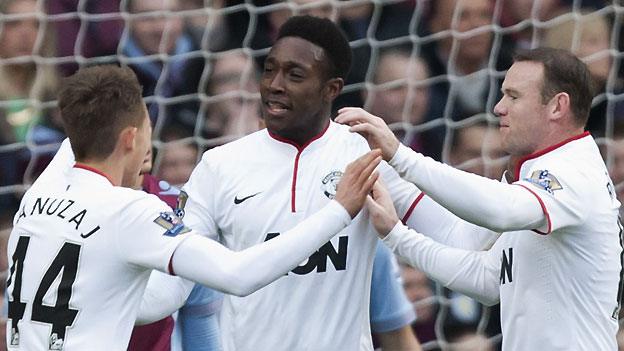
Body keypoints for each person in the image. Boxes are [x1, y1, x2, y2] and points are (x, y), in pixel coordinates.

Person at [4, 64, 382, 350]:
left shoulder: (38, 195)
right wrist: (339, 211)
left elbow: (151, 301)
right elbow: (238, 276)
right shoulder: (128, 211)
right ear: (131, 138)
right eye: (148, 136)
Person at [182, 15, 500, 351]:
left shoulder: (365, 156)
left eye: (295, 75)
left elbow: (458, 236)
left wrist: (514, 196)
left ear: (331, 89)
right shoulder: (219, 165)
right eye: (269, 69)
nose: (275, 84)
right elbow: (179, 270)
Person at [336, 47, 622, 349]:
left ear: (557, 107)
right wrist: (389, 189)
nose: (499, 107)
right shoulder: (534, 178)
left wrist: (402, 156)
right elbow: (480, 268)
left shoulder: (573, 173)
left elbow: (504, 211)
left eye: (513, 96)